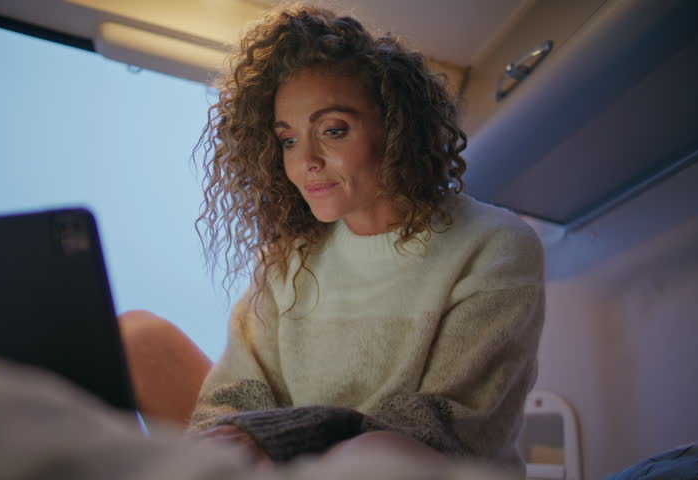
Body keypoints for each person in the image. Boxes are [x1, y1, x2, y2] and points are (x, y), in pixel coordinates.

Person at [119, 2, 545, 474]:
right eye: (288, 139)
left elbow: (442, 425)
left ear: (398, 127)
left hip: (417, 465)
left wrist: (278, 437)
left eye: (333, 130)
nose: (307, 162)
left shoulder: (494, 242)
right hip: (292, 459)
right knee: (137, 337)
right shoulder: (286, 260)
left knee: (373, 456)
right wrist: (225, 443)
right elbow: (237, 394)